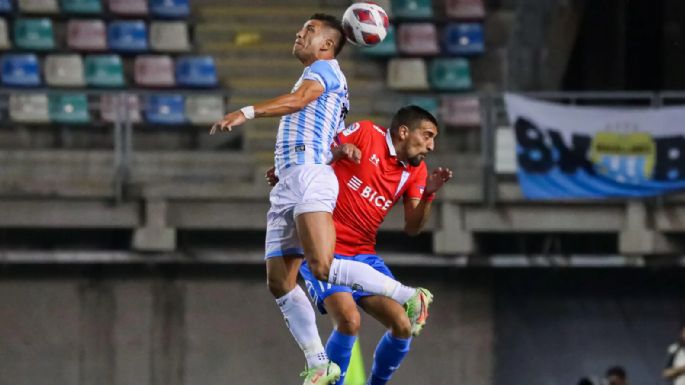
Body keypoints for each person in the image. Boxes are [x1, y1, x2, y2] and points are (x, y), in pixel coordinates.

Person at [211, 14, 432, 385]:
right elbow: (319, 128)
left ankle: (409, 296)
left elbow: (298, 102)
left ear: (328, 46)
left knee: (322, 268)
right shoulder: (321, 77)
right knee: (280, 282)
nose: (300, 34)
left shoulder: (327, 71)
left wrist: (245, 112)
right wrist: (299, 163)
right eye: (301, 29)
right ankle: (318, 362)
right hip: (290, 180)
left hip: (311, 178)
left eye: (309, 31)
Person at [267, 106, 452, 385]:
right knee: (349, 320)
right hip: (325, 247)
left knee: (403, 325)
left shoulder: (416, 172)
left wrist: (428, 195)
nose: (431, 145)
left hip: (363, 254)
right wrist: (288, 171)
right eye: (427, 135)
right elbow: (320, 151)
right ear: (404, 132)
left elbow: (412, 227)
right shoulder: (366, 133)